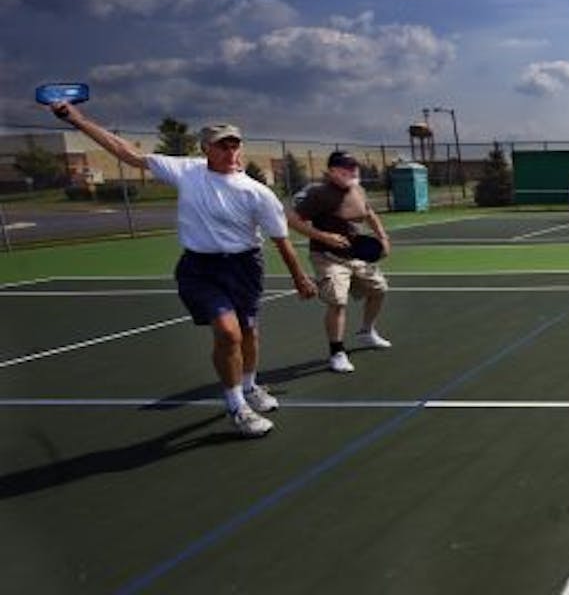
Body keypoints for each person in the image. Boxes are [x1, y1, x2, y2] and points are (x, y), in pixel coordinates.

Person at [48, 101, 316, 438]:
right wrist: (78, 119)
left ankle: (249, 386)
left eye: (235, 144)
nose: (231, 150)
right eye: (223, 145)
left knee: (249, 333)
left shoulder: (257, 192)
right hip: (199, 268)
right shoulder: (185, 170)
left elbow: (280, 239)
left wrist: (300, 277)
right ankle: (236, 406)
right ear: (205, 148)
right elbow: (126, 152)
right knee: (228, 332)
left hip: (245, 266)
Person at [287, 151, 394, 374]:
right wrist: (323, 237)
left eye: (353, 167)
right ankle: (337, 352)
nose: (352, 171)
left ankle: (366, 332)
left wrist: (383, 238)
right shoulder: (319, 193)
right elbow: (293, 220)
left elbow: (370, 214)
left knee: (379, 290)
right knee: (338, 301)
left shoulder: (358, 189)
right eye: (346, 168)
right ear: (333, 171)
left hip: (356, 255)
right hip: (327, 257)